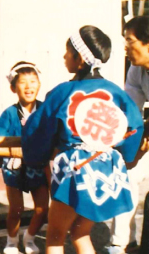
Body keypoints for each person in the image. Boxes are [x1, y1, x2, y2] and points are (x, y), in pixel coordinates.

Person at [22, 26, 144, 254]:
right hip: (106, 169)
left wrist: (35, 157)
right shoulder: (115, 92)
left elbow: (38, 128)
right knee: (80, 233)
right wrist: (126, 157)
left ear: (79, 58)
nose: (64, 56)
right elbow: (135, 126)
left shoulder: (62, 92)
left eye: (67, 52)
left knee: (55, 237)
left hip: (74, 170)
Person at [0, 62, 49, 254]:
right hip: (14, 166)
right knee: (16, 208)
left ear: (39, 85)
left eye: (33, 81)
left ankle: (30, 238)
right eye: (23, 82)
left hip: (37, 166)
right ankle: (11, 242)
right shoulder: (9, 113)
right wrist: (11, 150)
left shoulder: (45, 110)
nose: (28, 86)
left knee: (42, 209)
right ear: (13, 87)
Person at [104, 16, 149, 254]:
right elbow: (130, 111)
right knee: (127, 170)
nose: (125, 47)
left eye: (130, 41)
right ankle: (121, 243)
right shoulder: (136, 70)